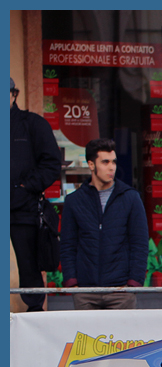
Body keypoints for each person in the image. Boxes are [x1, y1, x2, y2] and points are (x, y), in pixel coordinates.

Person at [60, 137, 148, 309]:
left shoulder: (131, 198)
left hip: (121, 292)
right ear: (91, 165)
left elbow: (140, 244)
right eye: (105, 162)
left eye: (114, 162)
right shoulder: (74, 201)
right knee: (87, 337)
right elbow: (67, 246)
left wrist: (133, 284)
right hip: (85, 292)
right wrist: (72, 283)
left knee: (121, 337)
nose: (111, 167)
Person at [10, 76, 62, 312]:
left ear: (13, 95)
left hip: (23, 210)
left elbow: (52, 164)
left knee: (29, 267)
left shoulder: (33, 124)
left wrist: (25, 187)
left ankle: (34, 314)